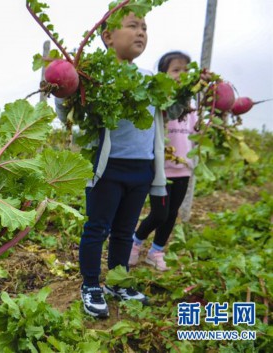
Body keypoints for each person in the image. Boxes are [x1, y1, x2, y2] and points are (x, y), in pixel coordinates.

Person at [56, 12, 181, 318]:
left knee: (125, 230)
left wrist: (186, 90)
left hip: (142, 168)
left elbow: (173, 112)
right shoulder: (93, 76)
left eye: (145, 28)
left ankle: (117, 280)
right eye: (133, 26)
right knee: (97, 228)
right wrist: (61, 87)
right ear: (108, 37)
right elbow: (67, 112)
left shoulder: (150, 81)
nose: (141, 32)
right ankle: (90, 284)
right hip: (106, 168)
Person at [129, 51, 198, 272]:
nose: (181, 74)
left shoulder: (192, 106)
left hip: (183, 169)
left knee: (172, 214)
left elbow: (197, 132)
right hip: (161, 168)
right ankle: (135, 242)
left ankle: (156, 251)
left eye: (186, 71)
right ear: (163, 75)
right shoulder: (160, 103)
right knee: (159, 213)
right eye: (176, 70)